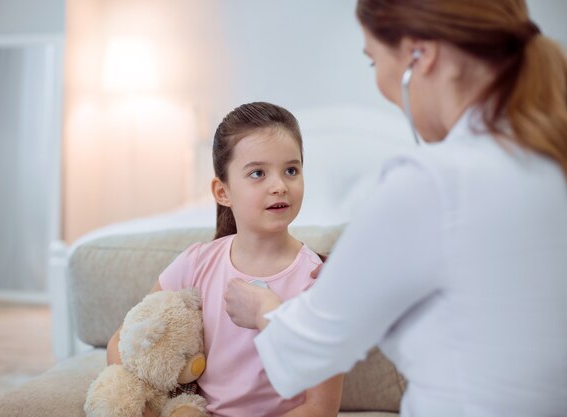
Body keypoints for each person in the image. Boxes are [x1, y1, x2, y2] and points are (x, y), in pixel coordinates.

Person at [224, 1, 567, 416]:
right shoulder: (550, 163)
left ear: (419, 55)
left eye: (373, 62)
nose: (382, 85)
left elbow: (302, 352)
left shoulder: (431, 182)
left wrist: (262, 308)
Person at [107, 102, 344, 417]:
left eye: (291, 170)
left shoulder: (318, 281)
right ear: (222, 191)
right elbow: (122, 343)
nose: (279, 186)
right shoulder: (197, 263)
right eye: (258, 173)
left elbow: (320, 407)